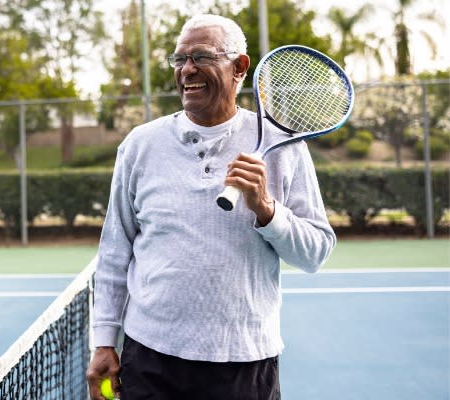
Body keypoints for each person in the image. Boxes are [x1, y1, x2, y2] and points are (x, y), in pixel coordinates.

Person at [86, 13, 336, 400]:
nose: (187, 69)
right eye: (179, 59)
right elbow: (115, 251)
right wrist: (103, 341)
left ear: (239, 67)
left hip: (245, 361)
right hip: (150, 359)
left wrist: (266, 209)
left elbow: (316, 253)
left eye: (201, 57)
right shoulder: (140, 145)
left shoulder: (285, 148)